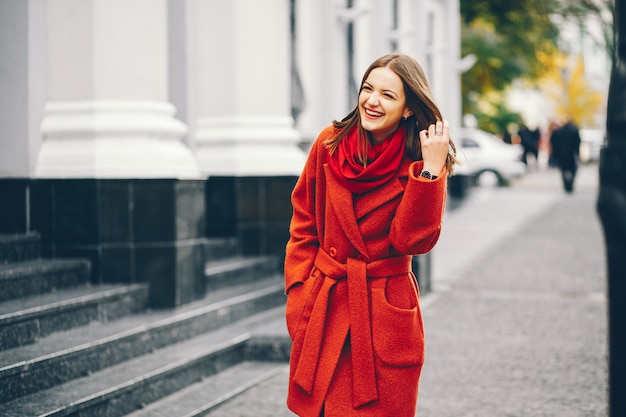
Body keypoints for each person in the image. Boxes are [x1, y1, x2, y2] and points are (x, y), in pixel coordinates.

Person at [284, 53, 457, 417]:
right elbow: (303, 224)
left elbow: (413, 242)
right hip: (326, 306)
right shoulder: (329, 143)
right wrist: (299, 293)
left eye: (388, 95)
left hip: (381, 310)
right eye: (368, 89)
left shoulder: (418, 158)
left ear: (409, 108)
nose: (372, 101)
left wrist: (430, 171)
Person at [550, 118, 581, 193]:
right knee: (573, 170)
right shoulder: (574, 130)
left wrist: (555, 154)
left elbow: (553, 142)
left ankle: (566, 185)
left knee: (563, 170)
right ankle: (570, 184)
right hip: (571, 154)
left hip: (562, 154)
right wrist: (577, 153)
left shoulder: (559, 131)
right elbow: (578, 142)